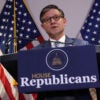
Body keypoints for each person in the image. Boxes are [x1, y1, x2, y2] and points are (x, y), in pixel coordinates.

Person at [35, 4, 92, 100]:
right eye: (47, 20)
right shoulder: (35, 52)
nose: (52, 21)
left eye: (56, 17)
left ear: (64, 21)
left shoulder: (82, 45)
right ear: (43, 26)